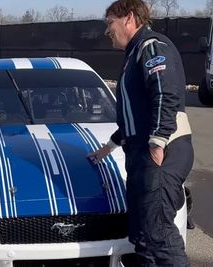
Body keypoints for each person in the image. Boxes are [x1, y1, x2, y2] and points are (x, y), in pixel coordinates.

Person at [87, 0, 194, 266]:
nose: (107, 30)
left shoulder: (151, 47)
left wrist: (157, 143)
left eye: (110, 22)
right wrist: (108, 147)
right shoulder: (134, 53)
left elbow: (165, 93)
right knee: (143, 235)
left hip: (161, 153)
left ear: (129, 18)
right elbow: (134, 118)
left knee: (159, 235)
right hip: (142, 153)